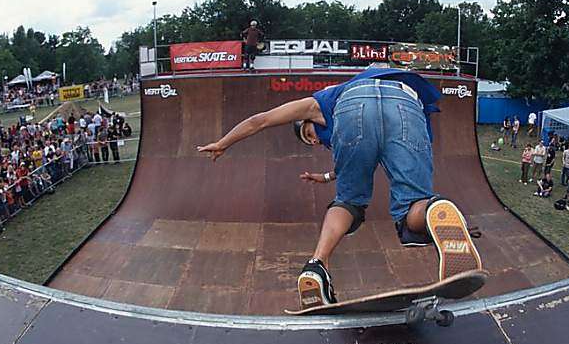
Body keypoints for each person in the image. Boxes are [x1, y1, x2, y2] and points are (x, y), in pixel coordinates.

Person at [197, 68, 482, 309]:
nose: (315, 140)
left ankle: (317, 264)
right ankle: (434, 212)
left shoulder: (317, 103)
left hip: (353, 105)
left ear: (308, 120)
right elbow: (364, 159)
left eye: (309, 133)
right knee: (415, 204)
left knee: (348, 201)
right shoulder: (334, 111)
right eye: (311, 142)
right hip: (406, 103)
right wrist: (325, 176)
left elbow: (260, 120)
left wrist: (223, 143)